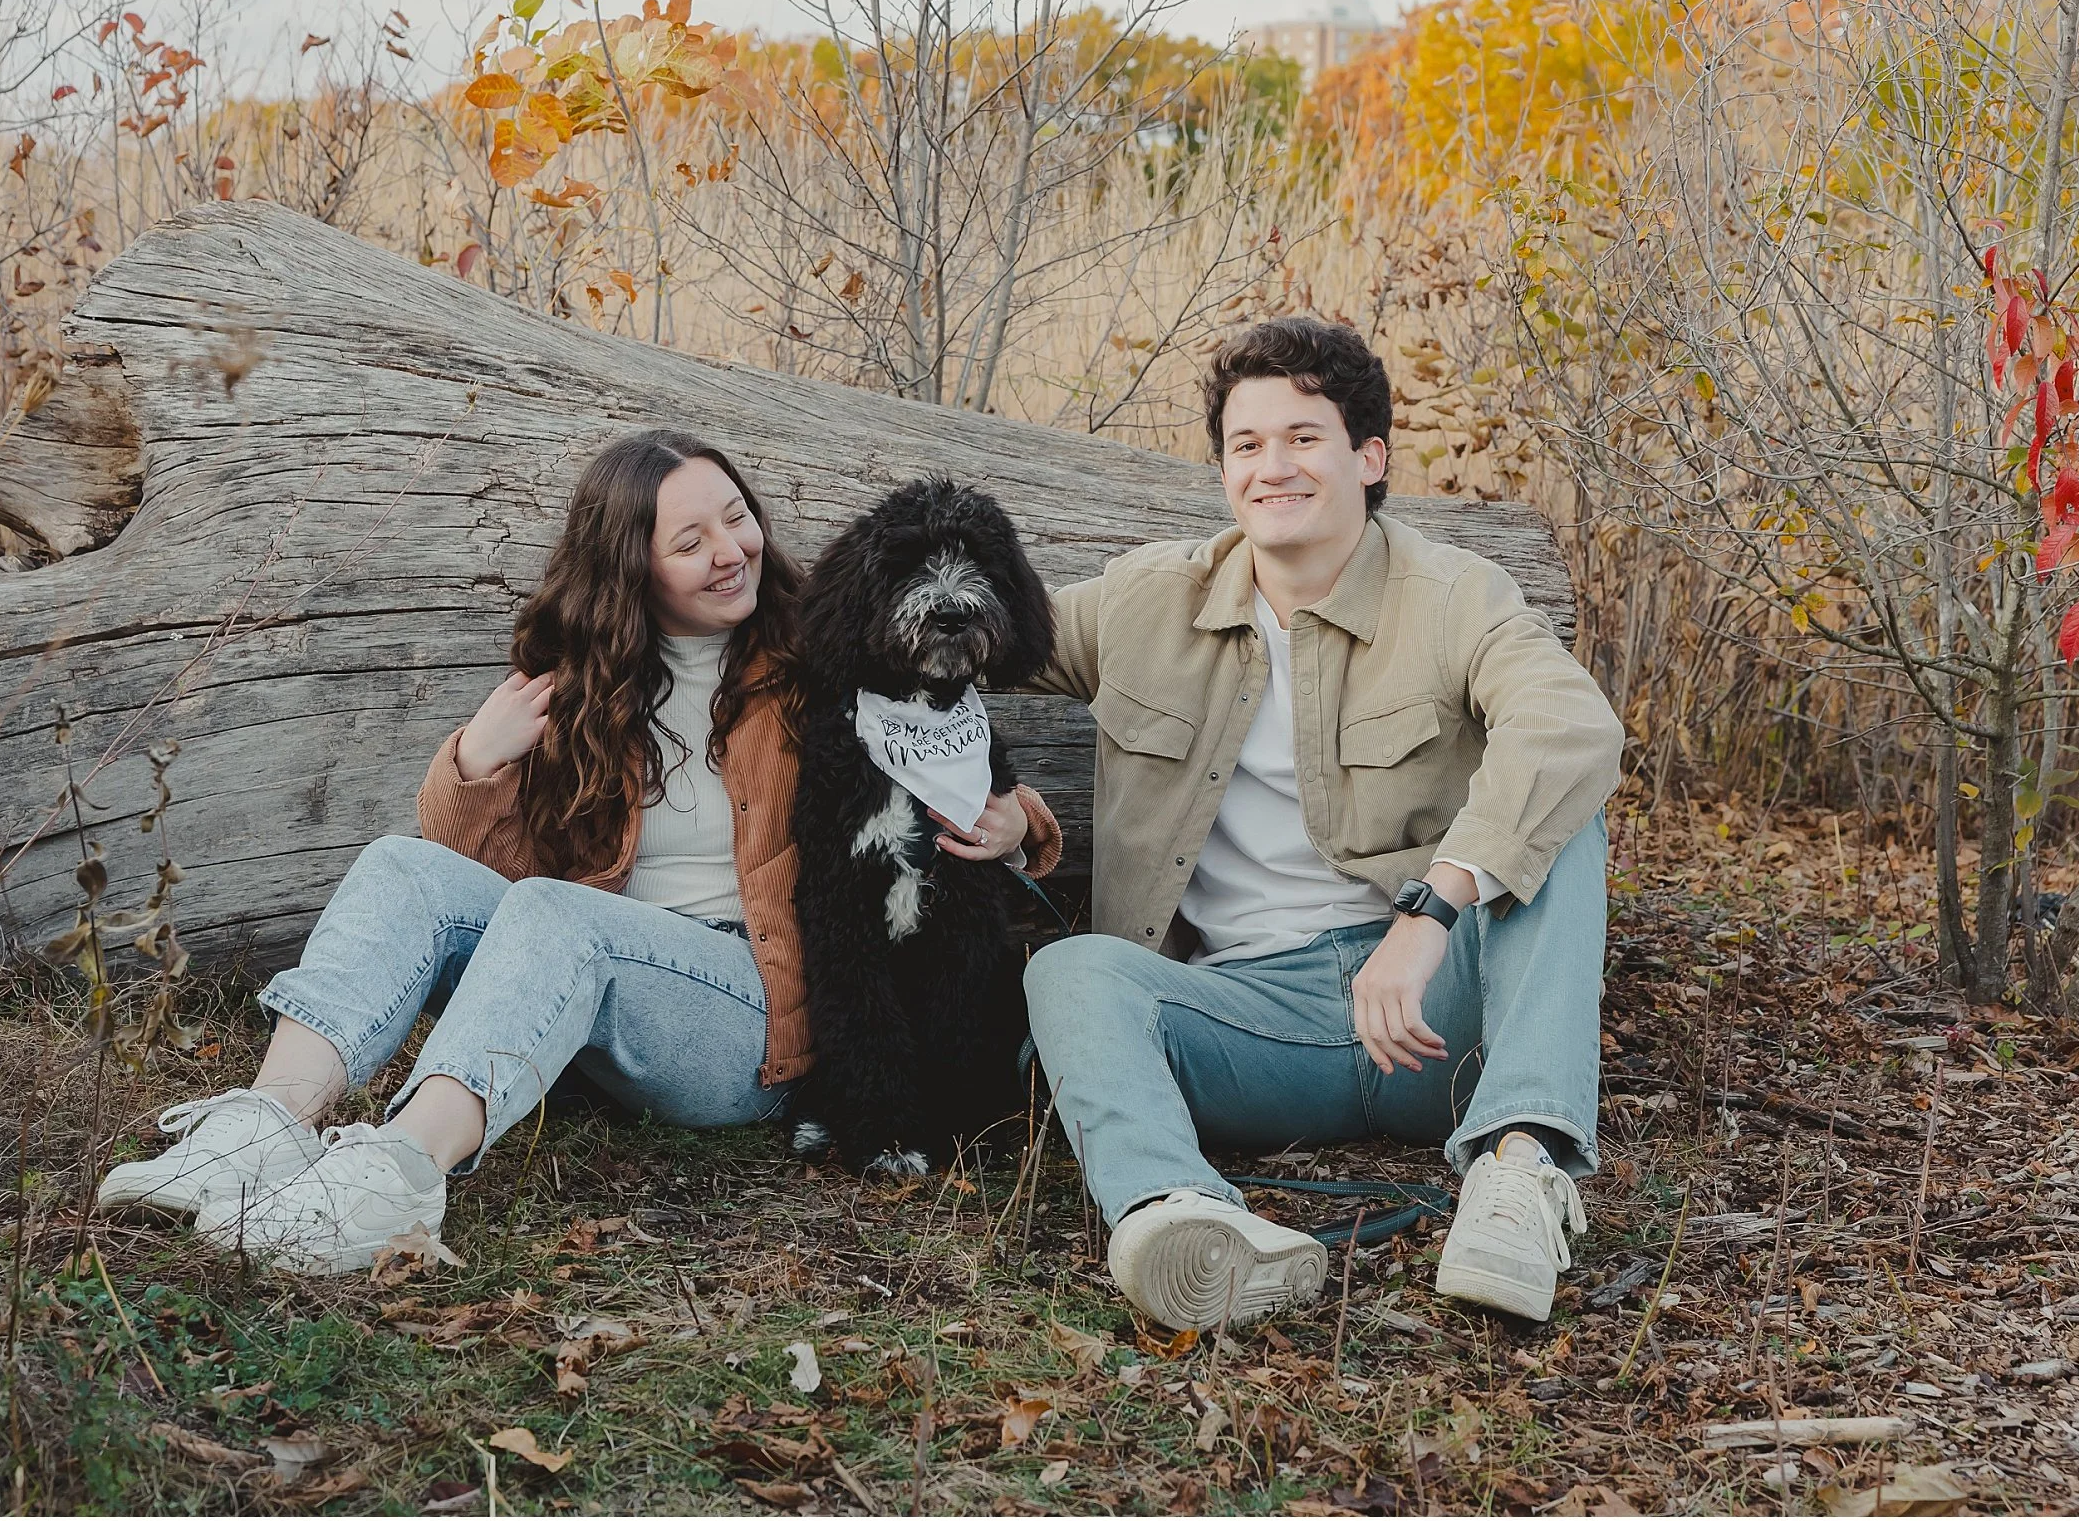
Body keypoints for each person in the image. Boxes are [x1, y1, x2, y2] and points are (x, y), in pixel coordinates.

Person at [97, 430, 1064, 1274]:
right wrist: (474, 761)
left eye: (736, 518)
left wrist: (1024, 818)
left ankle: (397, 1173)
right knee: (402, 865)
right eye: (691, 541)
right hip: (601, 982)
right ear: (631, 568)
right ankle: (261, 1128)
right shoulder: (589, 686)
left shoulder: (819, 659)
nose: (732, 552)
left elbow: (940, 742)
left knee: (566, 915)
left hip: (751, 1012)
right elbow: (478, 872)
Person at [1022, 317, 1624, 1329]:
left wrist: (1430, 914)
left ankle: (1518, 1177)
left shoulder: (1452, 595)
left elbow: (1570, 726)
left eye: (1303, 437)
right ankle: (1184, 1218)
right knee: (1068, 972)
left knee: (1563, 821)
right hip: (1256, 1023)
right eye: (1247, 445)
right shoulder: (1143, 602)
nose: (1273, 468)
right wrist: (976, 788)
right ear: (1221, 470)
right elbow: (969, 628)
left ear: (1367, 456)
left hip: (1442, 1010)